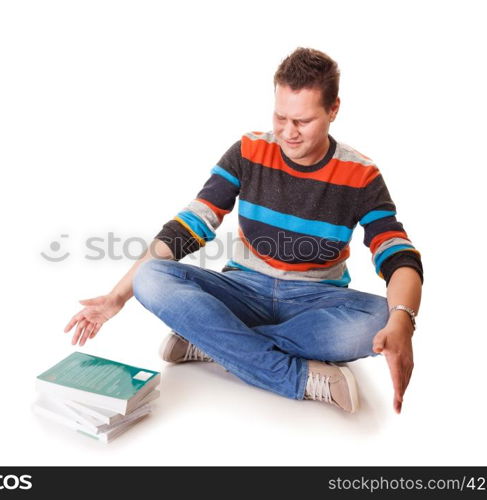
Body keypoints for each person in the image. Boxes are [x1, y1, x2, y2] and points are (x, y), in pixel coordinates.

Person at [64, 47, 423, 414]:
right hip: (242, 291)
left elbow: (396, 253)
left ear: (333, 110)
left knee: (383, 317)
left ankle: (209, 341)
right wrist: (116, 298)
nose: (287, 132)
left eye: (302, 121)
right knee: (150, 277)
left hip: (314, 302)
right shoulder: (249, 151)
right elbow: (191, 224)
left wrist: (403, 323)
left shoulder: (361, 174)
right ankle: (296, 377)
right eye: (280, 117)